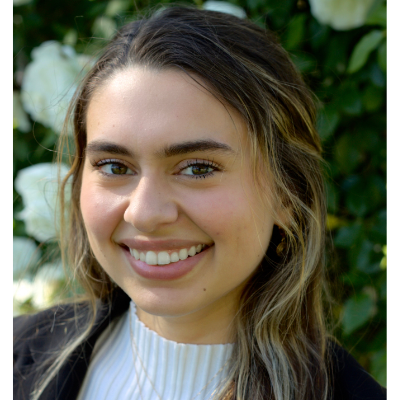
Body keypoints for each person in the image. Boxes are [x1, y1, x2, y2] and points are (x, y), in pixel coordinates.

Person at [13, 6, 386, 400]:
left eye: (197, 169)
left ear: (286, 194)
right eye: (115, 166)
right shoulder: (15, 356)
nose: (145, 213)